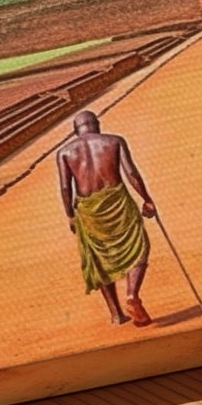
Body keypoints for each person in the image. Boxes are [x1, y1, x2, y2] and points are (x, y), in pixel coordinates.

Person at [55, 110, 157, 327]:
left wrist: (70, 215)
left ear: (76, 131)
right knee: (138, 247)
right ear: (97, 125)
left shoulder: (65, 152)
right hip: (118, 202)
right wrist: (147, 199)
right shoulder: (114, 141)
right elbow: (132, 174)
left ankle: (117, 314)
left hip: (89, 211)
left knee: (99, 260)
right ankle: (131, 294)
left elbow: (65, 188)